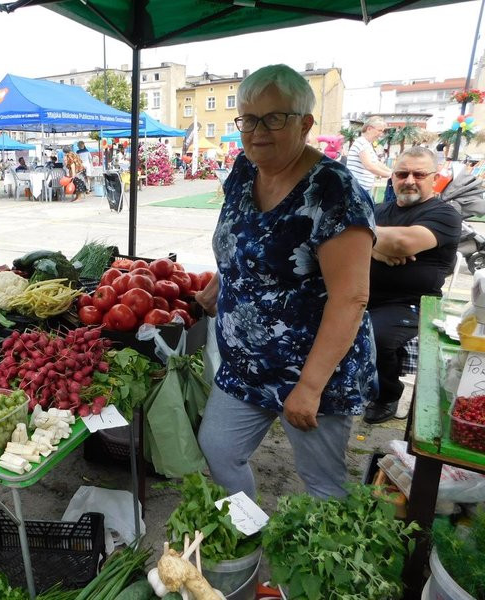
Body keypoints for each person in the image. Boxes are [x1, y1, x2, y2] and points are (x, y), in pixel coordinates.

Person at [194, 64, 377, 500]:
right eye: (249, 119)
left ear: (306, 123)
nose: (258, 131)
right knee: (218, 450)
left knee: (321, 484)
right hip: (246, 365)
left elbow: (351, 297)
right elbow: (246, 240)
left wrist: (309, 388)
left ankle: (320, 563)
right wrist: (225, 280)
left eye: (274, 118)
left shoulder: (333, 192)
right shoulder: (244, 169)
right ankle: (244, 537)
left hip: (315, 372)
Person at [363, 146, 462, 424]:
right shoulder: (378, 208)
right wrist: (374, 248)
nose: (409, 180)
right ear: (391, 177)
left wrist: (367, 238)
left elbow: (403, 243)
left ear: (435, 177)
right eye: (402, 173)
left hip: (410, 302)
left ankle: (387, 395)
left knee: (375, 335)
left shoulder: (444, 214)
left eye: (419, 174)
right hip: (362, 293)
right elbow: (341, 239)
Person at [346, 117, 391, 196]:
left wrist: (391, 172)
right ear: (369, 129)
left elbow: (376, 163)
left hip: (362, 189)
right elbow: (369, 166)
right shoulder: (362, 143)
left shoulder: (367, 144)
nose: (381, 134)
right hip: (358, 190)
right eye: (380, 130)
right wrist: (390, 175)